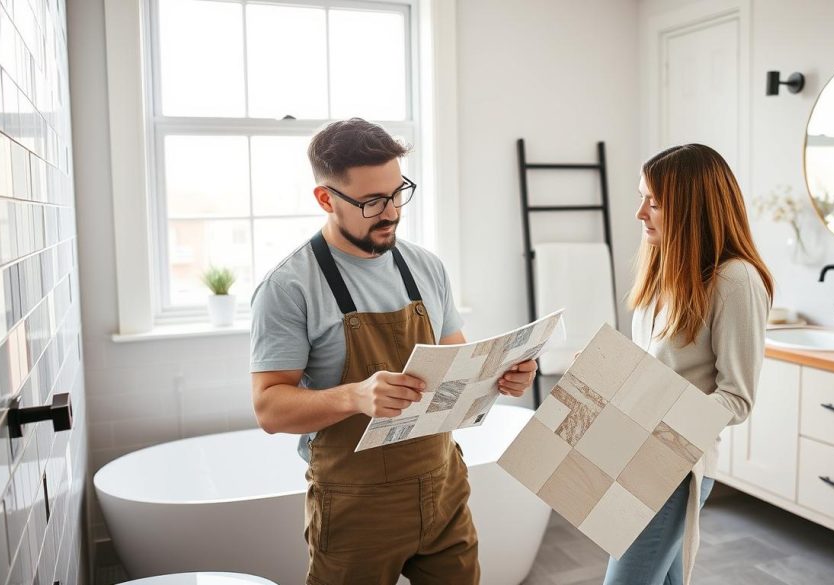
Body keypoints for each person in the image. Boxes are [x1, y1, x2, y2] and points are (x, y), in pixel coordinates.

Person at [249, 118, 538, 585]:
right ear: (326, 199)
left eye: (397, 192)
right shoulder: (289, 286)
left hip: (444, 491)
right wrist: (354, 397)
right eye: (371, 201)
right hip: (354, 510)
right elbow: (268, 408)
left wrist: (503, 378)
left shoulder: (426, 266)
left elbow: (456, 367)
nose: (391, 212)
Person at [603, 144, 774, 585]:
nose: (641, 212)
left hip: (677, 466)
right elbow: (657, 367)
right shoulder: (665, 271)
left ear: (692, 208)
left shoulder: (735, 281)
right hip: (638, 452)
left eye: (655, 202)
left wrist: (666, 419)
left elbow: (737, 398)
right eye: (642, 197)